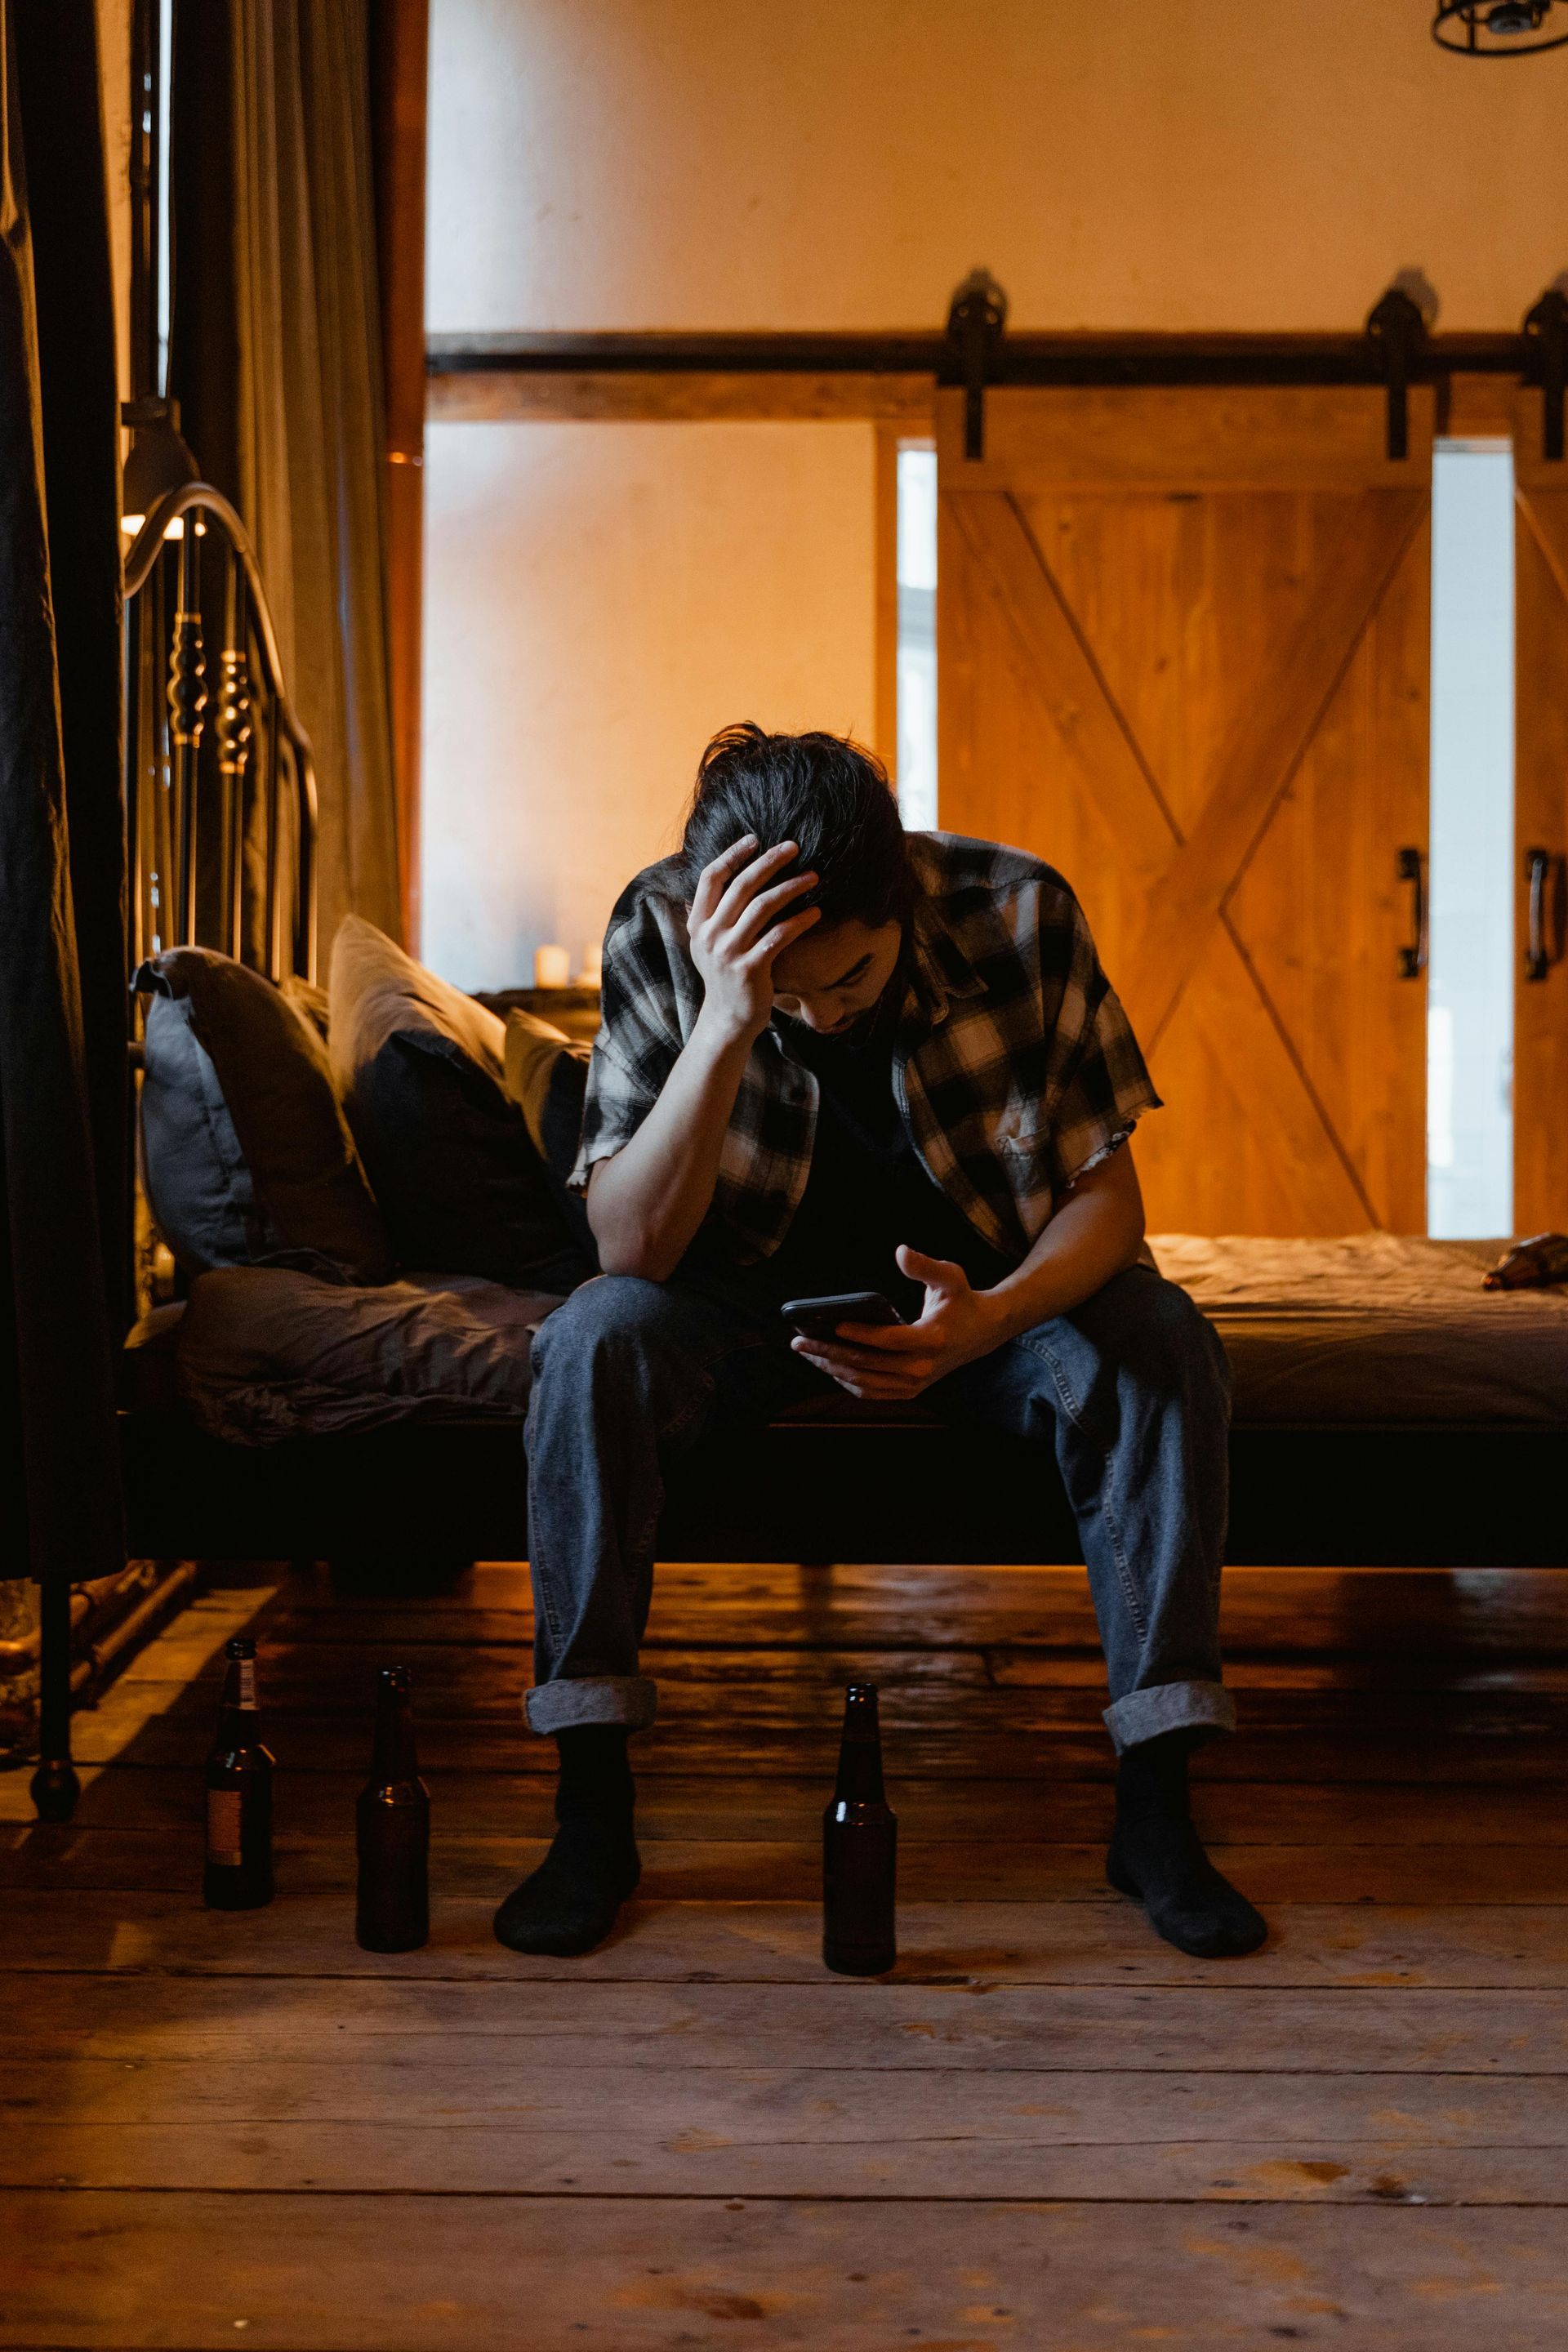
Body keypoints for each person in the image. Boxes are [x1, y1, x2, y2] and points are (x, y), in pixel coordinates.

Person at [496, 724, 1265, 1963]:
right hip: (735, 1302)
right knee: (590, 1344)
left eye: (846, 982)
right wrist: (728, 1020)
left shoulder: (1020, 913)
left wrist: (992, 1324)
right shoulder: (663, 927)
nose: (823, 1013)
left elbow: (1109, 1207)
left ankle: (1158, 1808)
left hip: (989, 1299)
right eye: (789, 993)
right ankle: (591, 1808)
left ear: (899, 900)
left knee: (1164, 1340)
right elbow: (629, 1252)